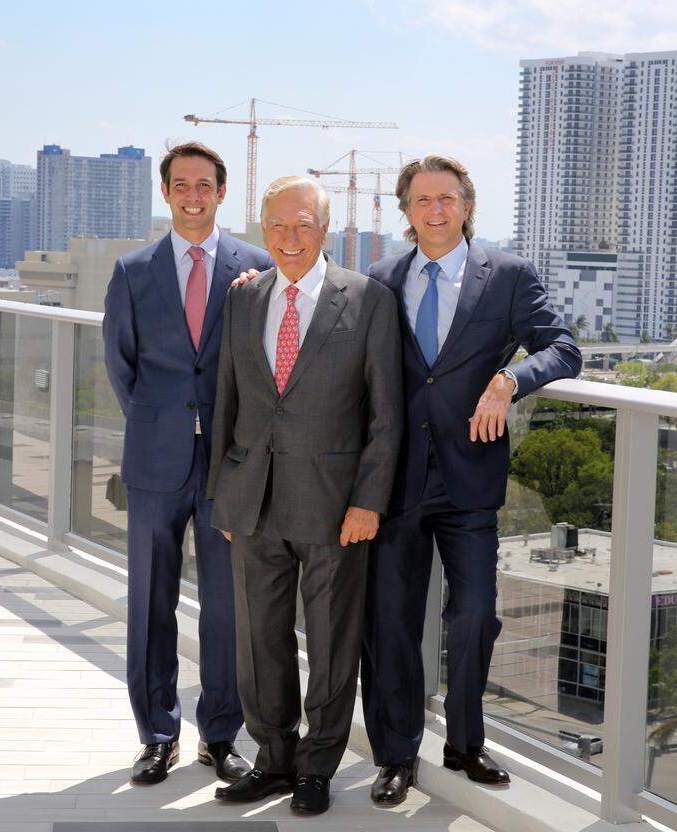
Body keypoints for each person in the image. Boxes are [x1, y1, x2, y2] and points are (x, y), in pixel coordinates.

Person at [360, 154, 582, 804]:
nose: (436, 210)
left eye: (447, 198)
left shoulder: (507, 276)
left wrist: (510, 379)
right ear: (406, 210)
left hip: (470, 479)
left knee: (476, 613)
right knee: (393, 623)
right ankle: (396, 755)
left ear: (467, 204)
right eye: (422, 199)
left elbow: (564, 348)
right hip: (394, 481)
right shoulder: (379, 279)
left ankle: (464, 742)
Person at [207, 176, 403, 815]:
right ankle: (273, 759)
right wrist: (223, 495)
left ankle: (318, 766)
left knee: (330, 642)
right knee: (258, 639)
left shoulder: (368, 300)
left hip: (335, 504)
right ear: (263, 228)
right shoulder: (243, 297)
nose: (289, 237)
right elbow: (227, 399)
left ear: (326, 229)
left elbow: (386, 415)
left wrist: (368, 501)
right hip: (252, 500)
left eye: (303, 225)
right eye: (277, 225)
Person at [102, 142, 273, 787]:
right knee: (151, 599)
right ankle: (157, 735)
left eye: (205, 185)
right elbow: (122, 365)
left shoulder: (256, 267)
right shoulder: (132, 270)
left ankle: (221, 735)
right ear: (166, 192)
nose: (193, 196)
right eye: (181, 185)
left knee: (228, 605)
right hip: (155, 460)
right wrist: (161, 421)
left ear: (222, 193)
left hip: (231, 461)